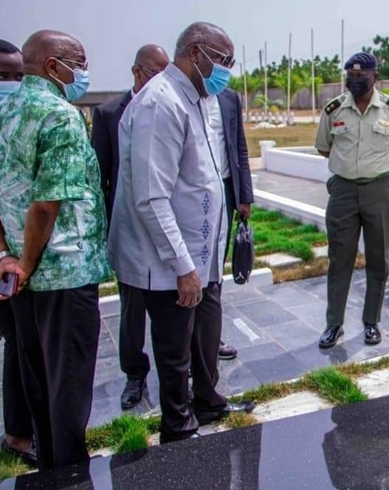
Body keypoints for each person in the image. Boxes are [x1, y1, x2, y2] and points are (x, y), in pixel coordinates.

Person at [107, 21, 254, 444]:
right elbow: (152, 199)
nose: (228, 70)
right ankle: (179, 431)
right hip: (167, 261)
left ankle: (205, 404)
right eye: (224, 61)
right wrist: (184, 267)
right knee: (173, 354)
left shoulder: (194, 99)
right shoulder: (161, 103)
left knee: (195, 342)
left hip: (194, 251)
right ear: (196, 52)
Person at [0, 30, 110, 470]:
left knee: (38, 379)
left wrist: (9, 259)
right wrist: (25, 261)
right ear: (52, 66)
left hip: (24, 278)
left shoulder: (7, 111)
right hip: (63, 274)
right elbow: (47, 205)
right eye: (77, 62)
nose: (82, 72)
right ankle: (70, 473)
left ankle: (49, 463)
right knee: (68, 385)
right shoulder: (60, 115)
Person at [315, 52, 389, 349]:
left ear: (375, 77)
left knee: (378, 259)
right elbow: (324, 148)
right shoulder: (333, 110)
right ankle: (334, 324)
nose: (355, 81)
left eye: (362, 76)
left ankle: (372, 322)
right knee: (338, 259)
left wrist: (373, 171)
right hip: (343, 191)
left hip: (380, 191)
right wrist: (349, 169)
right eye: (351, 76)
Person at [91, 44, 168, 411]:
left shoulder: (171, 106)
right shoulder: (108, 114)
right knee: (132, 310)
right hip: (131, 230)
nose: (163, 81)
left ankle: (176, 370)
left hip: (166, 226)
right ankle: (135, 374)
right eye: (156, 73)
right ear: (137, 72)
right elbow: (101, 178)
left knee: (170, 307)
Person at [0, 39, 36, 467]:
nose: (10, 84)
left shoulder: (18, 125)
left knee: (18, 344)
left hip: (14, 261)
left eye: (17, 77)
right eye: (2, 76)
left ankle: (19, 435)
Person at [201, 85, 254, 361]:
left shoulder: (230, 97)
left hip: (224, 192)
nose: (224, 67)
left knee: (215, 271)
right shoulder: (181, 93)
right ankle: (187, 343)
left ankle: (210, 337)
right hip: (190, 194)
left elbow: (239, 146)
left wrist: (244, 196)